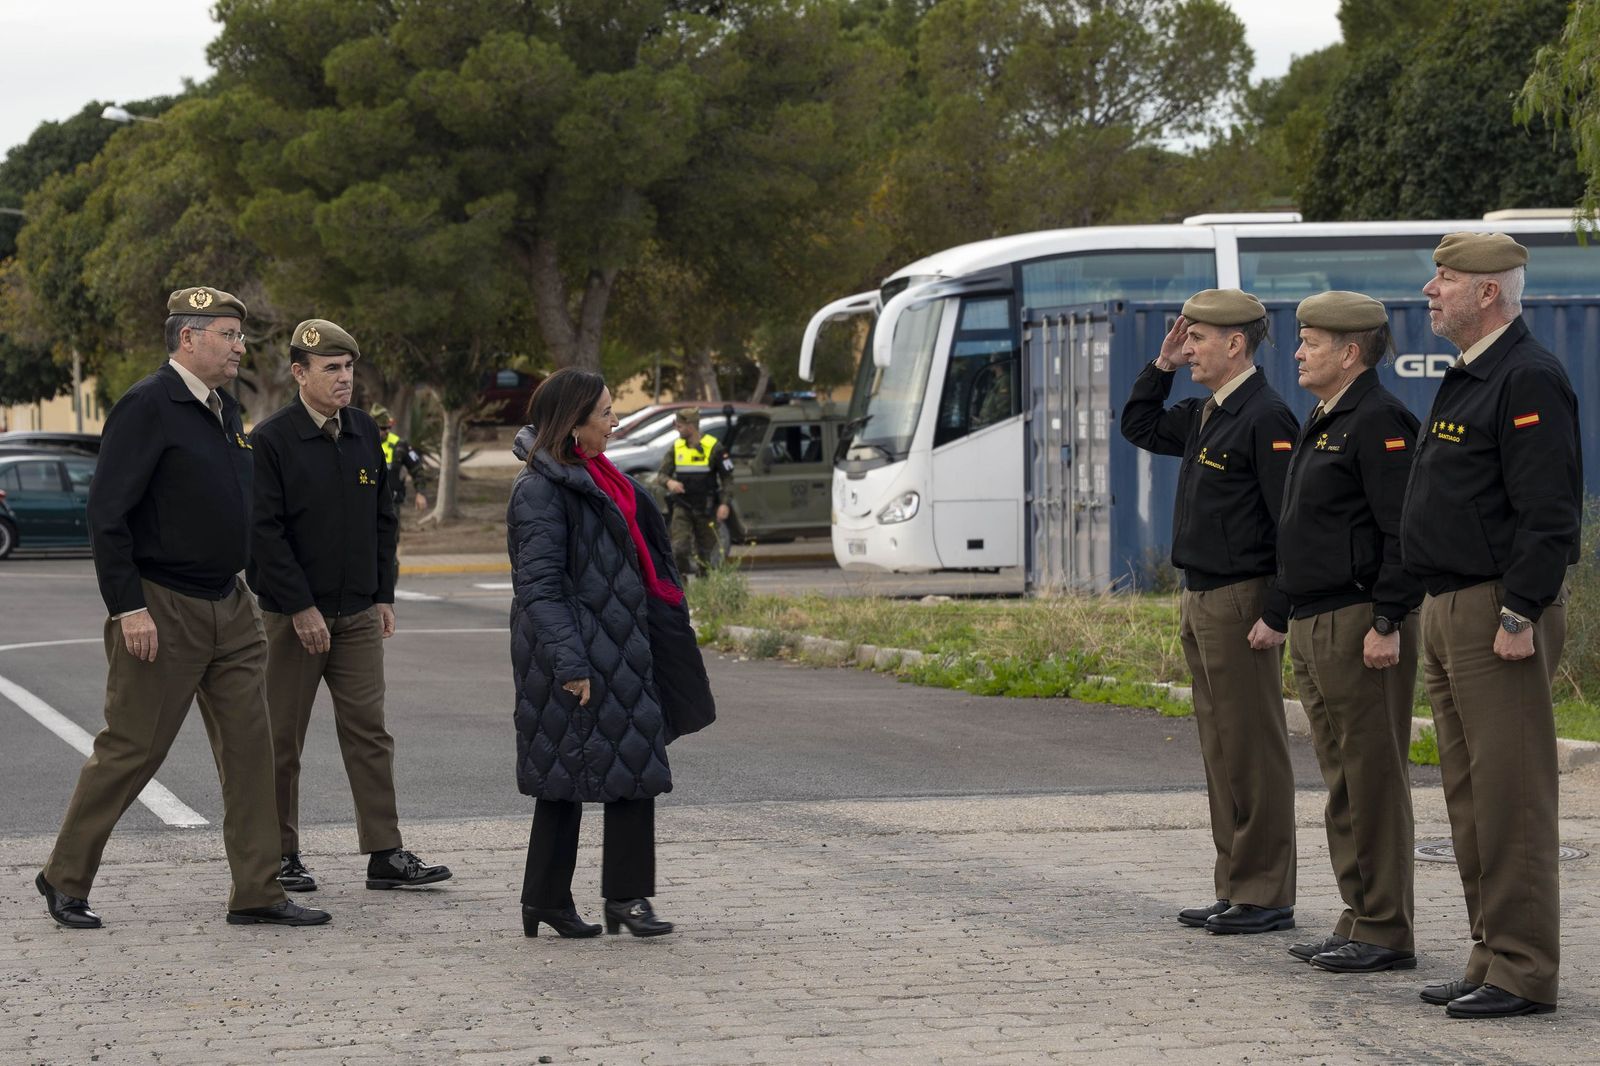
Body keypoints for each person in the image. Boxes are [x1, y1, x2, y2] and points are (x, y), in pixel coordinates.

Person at [35, 286, 329, 929]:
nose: (240, 346)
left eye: (240, 335)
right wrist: (128, 607)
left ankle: (257, 891)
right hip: (162, 606)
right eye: (228, 334)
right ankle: (64, 875)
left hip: (231, 603)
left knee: (252, 750)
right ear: (189, 338)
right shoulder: (149, 405)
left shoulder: (225, 409)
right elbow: (107, 514)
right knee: (132, 748)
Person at [1400, 232, 1581, 1018]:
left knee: (1512, 798)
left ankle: (1525, 969)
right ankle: (1489, 953)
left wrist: (1521, 609)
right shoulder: (1471, 373)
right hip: (1448, 606)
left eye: (1445, 277)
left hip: (1498, 609)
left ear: (1488, 293)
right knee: (1471, 799)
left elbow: (1549, 509)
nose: (1431, 289)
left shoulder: (1527, 375)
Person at [248, 318, 452, 896]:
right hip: (293, 620)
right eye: (331, 368)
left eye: (349, 368)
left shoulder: (363, 430)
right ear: (299, 373)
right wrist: (300, 606)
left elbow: (384, 519)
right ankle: (280, 854)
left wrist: (383, 593)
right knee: (280, 741)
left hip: (358, 612)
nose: (345, 379)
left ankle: (384, 853)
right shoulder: (271, 440)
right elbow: (264, 533)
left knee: (370, 734)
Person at [1120, 288, 1299, 936]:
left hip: (1241, 599)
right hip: (1200, 596)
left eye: (1197, 339)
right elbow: (1138, 425)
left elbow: (1290, 524)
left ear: (1235, 343)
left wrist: (1276, 611)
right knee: (1221, 748)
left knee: (1253, 749)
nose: (1188, 348)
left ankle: (1267, 892)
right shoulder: (1207, 413)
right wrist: (1161, 367)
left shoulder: (1265, 416)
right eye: (1186, 338)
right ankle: (1236, 886)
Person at [508, 368, 686, 939]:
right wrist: (571, 663)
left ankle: (566, 900)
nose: (615, 421)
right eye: (606, 413)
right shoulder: (540, 489)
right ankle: (597, 900)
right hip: (576, 652)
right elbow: (538, 587)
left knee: (617, 764)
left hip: (620, 645)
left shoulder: (596, 475)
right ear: (573, 424)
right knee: (580, 772)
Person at [1275, 291, 1423, 974]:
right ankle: (1358, 915)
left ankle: (1386, 927)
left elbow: (1401, 528)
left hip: (1359, 619)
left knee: (1372, 779)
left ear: (1350, 351)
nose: (1298, 353)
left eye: (1311, 342)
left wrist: (1387, 617)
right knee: (1341, 779)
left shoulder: (1378, 419)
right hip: (1315, 620)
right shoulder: (1326, 415)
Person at [658, 408, 733, 576]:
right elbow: (661, 475)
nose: (677, 430)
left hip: (706, 508)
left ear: (691, 426)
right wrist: (670, 482)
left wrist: (724, 504)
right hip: (682, 506)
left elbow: (728, 478)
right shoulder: (676, 448)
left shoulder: (714, 447)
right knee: (679, 548)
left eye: (680, 426)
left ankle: (704, 585)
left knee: (706, 554)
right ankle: (682, 582)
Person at [370, 404, 429, 515]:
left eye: (389, 427)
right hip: (366, 505)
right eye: (383, 428)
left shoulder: (400, 445)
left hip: (391, 505)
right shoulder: (362, 444)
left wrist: (420, 492)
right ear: (372, 426)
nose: (387, 431)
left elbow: (417, 468)